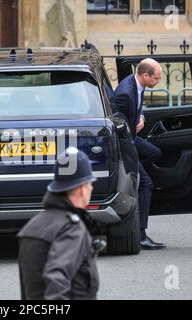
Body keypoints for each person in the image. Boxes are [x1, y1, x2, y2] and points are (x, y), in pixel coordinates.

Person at [18, 147, 100, 300]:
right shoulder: (71, 228)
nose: (91, 188)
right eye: (90, 183)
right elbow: (57, 277)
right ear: (82, 188)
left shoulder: (33, 225)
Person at [112, 58, 165, 250]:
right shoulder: (125, 94)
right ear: (145, 75)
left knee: (156, 153)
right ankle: (142, 235)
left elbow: (137, 109)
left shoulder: (136, 84)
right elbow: (117, 127)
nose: (158, 82)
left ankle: (141, 178)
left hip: (133, 136)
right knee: (146, 185)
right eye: (156, 78)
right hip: (125, 144)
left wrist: (140, 117)